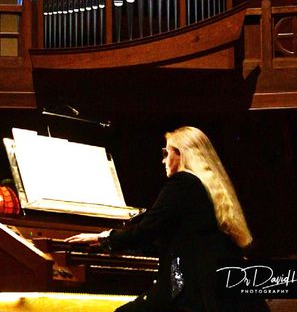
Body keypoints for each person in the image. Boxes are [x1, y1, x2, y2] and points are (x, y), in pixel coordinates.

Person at [65, 126, 269, 312]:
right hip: (209, 290)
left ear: (180, 154)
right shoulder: (209, 188)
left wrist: (103, 239)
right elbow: (171, 240)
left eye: (166, 153)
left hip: (188, 290)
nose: (163, 160)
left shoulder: (183, 183)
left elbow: (146, 231)